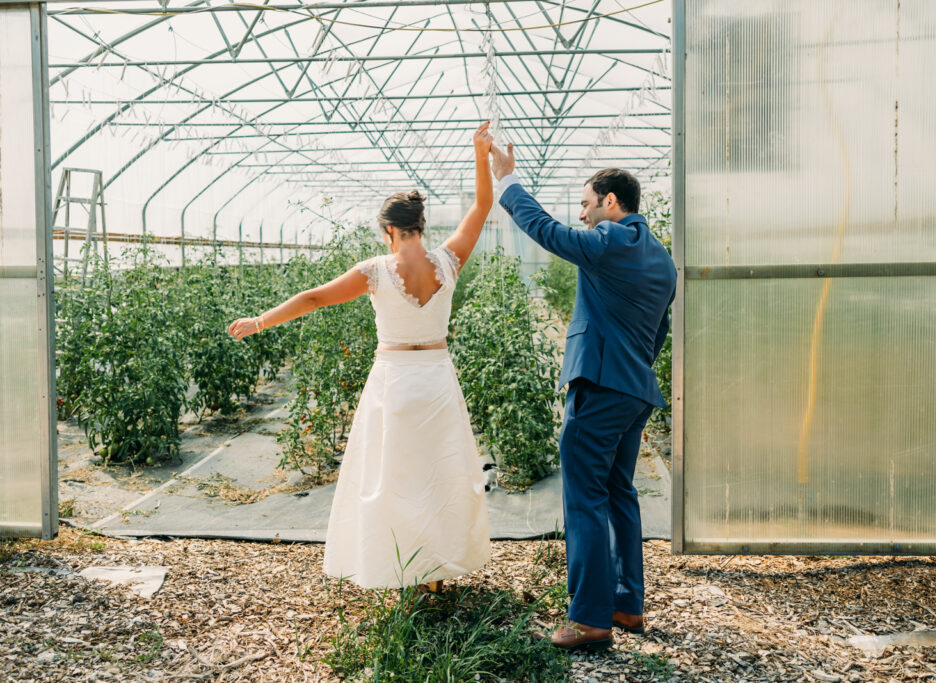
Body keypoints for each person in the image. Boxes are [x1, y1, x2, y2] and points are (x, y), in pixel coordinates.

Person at [229, 123, 496, 592]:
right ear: (420, 227)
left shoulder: (373, 271)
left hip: (394, 380)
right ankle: (434, 573)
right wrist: (480, 154)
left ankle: (403, 569)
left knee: (394, 476)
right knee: (439, 472)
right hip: (436, 377)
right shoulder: (449, 260)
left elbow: (313, 298)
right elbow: (482, 206)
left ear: (389, 230)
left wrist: (259, 321)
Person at [490, 142, 676, 651]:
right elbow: (656, 333)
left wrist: (508, 183)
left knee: (585, 500)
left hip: (600, 387)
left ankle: (590, 618)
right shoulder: (661, 258)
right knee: (619, 493)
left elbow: (550, 234)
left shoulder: (611, 239)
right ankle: (626, 603)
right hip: (634, 390)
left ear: (611, 203)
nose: (582, 213)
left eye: (587, 203)